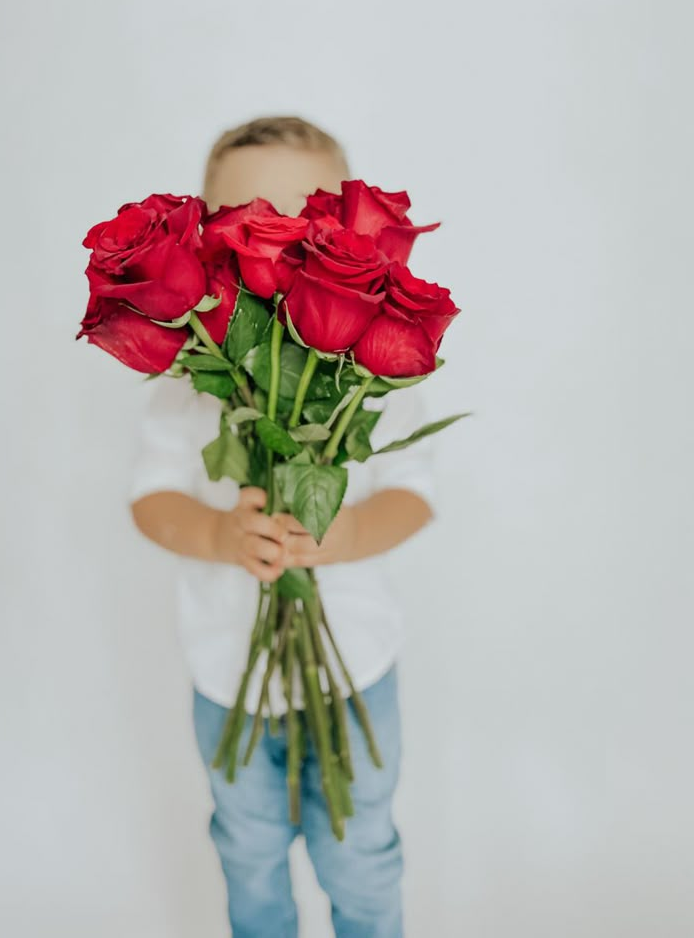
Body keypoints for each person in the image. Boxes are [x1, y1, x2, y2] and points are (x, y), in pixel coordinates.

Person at [129, 115, 439, 938]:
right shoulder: (187, 376)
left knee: (361, 852)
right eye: (246, 219)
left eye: (300, 219)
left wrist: (341, 534)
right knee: (248, 847)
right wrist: (216, 536)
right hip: (229, 674)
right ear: (200, 236)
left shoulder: (373, 361)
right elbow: (151, 496)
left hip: (355, 675)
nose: (274, 240)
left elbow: (413, 493)